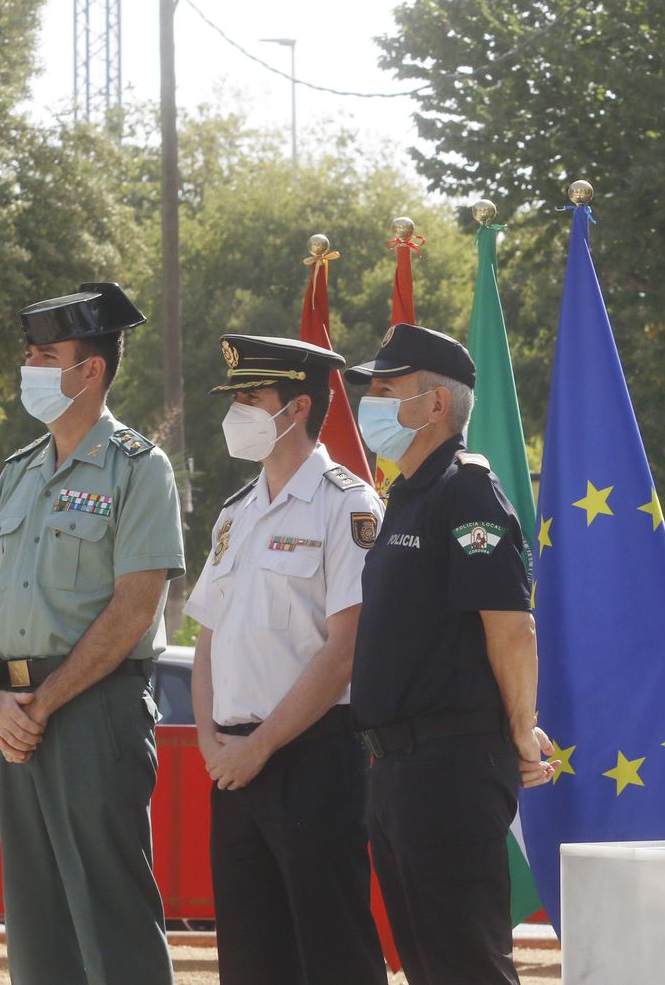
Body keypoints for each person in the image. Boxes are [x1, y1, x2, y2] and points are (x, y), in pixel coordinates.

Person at [0, 282, 184, 985]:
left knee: (110, 918)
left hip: (92, 713)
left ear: (89, 369)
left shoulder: (138, 467)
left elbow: (134, 606)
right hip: (14, 718)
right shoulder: (19, 472)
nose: (28, 366)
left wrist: (48, 700)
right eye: (28, 353)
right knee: (37, 921)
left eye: (44, 354)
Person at [345, 323, 557, 985]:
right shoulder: (408, 494)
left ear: (436, 404)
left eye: (386, 388)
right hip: (397, 769)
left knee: (466, 966)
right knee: (430, 965)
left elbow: (511, 627)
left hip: (450, 770)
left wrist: (522, 733)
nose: (369, 401)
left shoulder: (465, 489)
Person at [184, 334, 387, 984]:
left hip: (311, 759)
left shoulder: (347, 504)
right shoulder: (235, 514)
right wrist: (213, 743)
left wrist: (261, 746)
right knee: (249, 958)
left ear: (297, 408)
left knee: (331, 954)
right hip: (233, 768)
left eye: (251, 397)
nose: (236, 411)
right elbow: (207, 638)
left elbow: (346, 649)